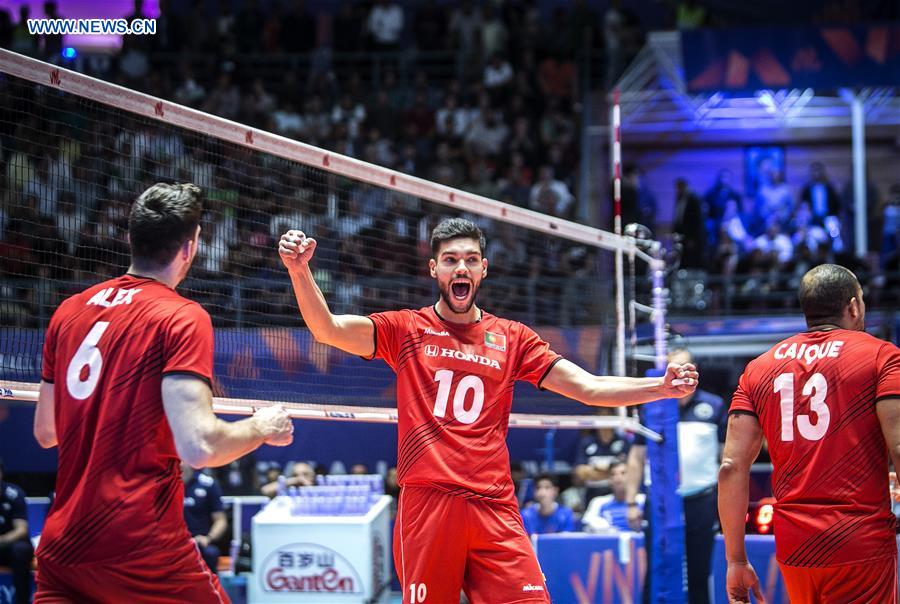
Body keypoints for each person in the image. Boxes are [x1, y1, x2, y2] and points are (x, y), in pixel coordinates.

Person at [277, 217, 698, 603]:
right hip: (430, 503)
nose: (461, 268)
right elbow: (326, 329)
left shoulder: (512, 338)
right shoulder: (406, 329)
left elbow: (588, 387)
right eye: (450, 260)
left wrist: (658, 387)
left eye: (470, 260)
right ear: (434, 269)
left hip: (493, 506)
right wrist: (299, 270)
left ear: (483, 269)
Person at [33, 183, 294, 602]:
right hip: (140, 545)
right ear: (190, 248)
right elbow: (201, 447)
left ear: (130, 238)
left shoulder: (69, 310)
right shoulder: (180, 317)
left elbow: (47, 431)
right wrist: (262, 426)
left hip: (63, 546)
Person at [720, 264, 900, 604]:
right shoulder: (882, 356)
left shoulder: (759, 368)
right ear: (853, 307)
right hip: (859, 539)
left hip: (795, 546)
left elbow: (731, 466)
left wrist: (736, 560)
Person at [625, 348, 727, 604]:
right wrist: (631, 501)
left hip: (701, 500)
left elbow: (727, 458)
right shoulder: (652, 408)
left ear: (694, 370)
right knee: (656, 568)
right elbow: (637, 457)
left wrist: (725, 501)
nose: (678, 371)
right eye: (673, 366)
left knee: (699, 572)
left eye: (683, 366)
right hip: (660, 501)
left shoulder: (713, 405)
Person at [182, 463, 228, 575]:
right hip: (172, 542)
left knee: (210, 553)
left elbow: (220, 520)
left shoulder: (208, 484)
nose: (180, 464)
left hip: (200, 541)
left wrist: (208, 538)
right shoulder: (164, 485)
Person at [0, 460, 33, 604]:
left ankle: (22, 601)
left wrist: (2, 541)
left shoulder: (14, 493)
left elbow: (21, 530)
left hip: (9, 547)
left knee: (21, 550)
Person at [583, 460, 644, 533]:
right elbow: (587, 525)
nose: (618, 477)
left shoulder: (643, 501)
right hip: (609, 538)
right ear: (609, 480)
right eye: (613, 474)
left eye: (623, 473)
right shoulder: (598, 502)